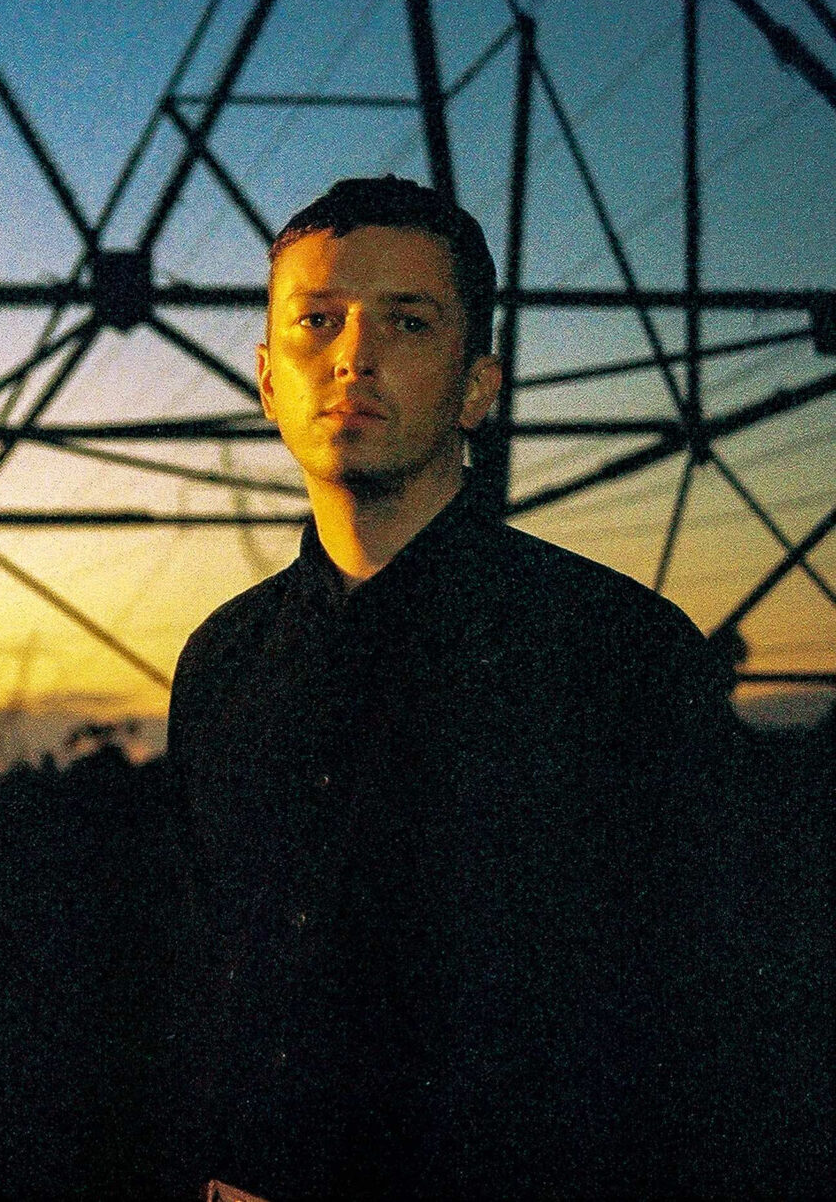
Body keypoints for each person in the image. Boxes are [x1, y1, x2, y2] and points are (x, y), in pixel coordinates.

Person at [165, 176, 763, 1197]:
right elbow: (202, 975)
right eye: (317, 321)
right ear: (266, 379)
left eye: (407, 320)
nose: (352, 357)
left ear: (478, 388)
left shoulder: (617, 650)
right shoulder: (223, 660)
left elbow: (706, 1020)